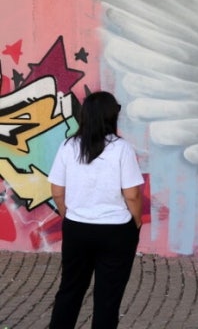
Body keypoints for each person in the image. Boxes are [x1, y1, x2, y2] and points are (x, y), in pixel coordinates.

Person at [48, 91, 144, 329]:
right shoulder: (122, 149)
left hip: (77, 228)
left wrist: (69, 216)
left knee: (70, 289)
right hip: (115, 231)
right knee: (107, 299)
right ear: (112, 116)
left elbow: (57, 191)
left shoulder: (68, 146)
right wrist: (137, 221)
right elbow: (132, 194)